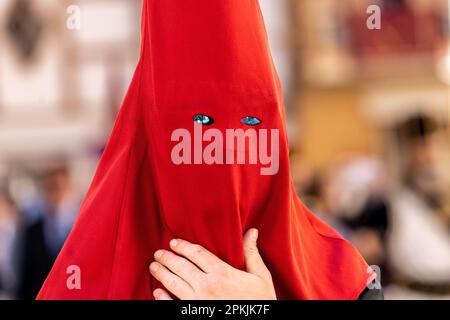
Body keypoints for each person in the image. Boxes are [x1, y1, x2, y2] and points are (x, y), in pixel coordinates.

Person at [37, 0, 371, 300]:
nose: (221, 152)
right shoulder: (84, 281)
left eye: (248, 126)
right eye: (193, 132)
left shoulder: (343, 282)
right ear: (152, 139)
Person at [19, 165, 79, 300]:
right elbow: (27, 274)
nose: (55, 193)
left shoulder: (80, 224)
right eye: (50, 187)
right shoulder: (33, 229)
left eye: (58, 187)